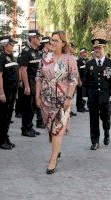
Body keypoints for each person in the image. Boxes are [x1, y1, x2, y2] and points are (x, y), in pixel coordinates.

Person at [36, 31, 78, 174]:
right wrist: (37, 96)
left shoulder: (69, 59)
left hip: (62, 100)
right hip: (46, 99)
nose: (53, 43)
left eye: (56, 40)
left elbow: (74, 80)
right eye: (51, 40)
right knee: (50, 129)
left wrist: (69, 98)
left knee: (57, 130)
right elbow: (39, 77)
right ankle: (56, 149)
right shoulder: (45, 57)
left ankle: (53, 160)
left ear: (63, 43)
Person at [84, 39, 111, 150]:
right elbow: (85, 81)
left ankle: (106, 132)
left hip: (105, 96)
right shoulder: (89, 64)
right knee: (93, 119)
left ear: (104, 49)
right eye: (95, 48)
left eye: (99, 48)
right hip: (93, 96)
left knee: (105, 118)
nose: (97, 50)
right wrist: (85, 96)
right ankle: (95, 141)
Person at [0, 36, 19, 150]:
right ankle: (0, 141)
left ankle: (5, 137)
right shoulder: (0, 57)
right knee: (3, 116)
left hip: (13, 89)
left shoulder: (10, 56)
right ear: (5, 45)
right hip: (5, 89)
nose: (13, 46)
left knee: (8, 116)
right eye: (11, 44)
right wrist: (1, 93)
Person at [18, 30, 42, 137]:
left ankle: (30, 126)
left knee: (32, 107)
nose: (39, 39)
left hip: (36, 82)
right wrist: (26, 86)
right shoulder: (26, 51)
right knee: (28, 107)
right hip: (30, 82)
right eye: (37, 37)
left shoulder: (36, 51)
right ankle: (25, 129)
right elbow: (23, 69)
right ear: (32, 38)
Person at [76, 48, 89, 112]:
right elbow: (77, 69)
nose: (85, 54)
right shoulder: (79, 60)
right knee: (79, 94)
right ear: (81, 53)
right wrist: (79, 80)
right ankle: (79, 107)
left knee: (82, 94)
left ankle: (82, 105)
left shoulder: (86, 60)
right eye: (84, 52)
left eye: (86, 52)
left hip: (84, 79)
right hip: (80, 79)